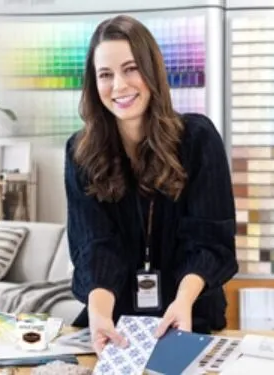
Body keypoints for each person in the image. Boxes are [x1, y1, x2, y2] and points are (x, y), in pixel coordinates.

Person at [64, 14, 238, 354]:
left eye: (131, 69)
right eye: (105, 74)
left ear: (152, 70)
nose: (119, 86)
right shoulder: (80, 151)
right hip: (112, 322)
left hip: (189, 314)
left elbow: (210, 241)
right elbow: (92, 246)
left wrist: (184, 300)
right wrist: (99, 314)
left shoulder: (198, 139)